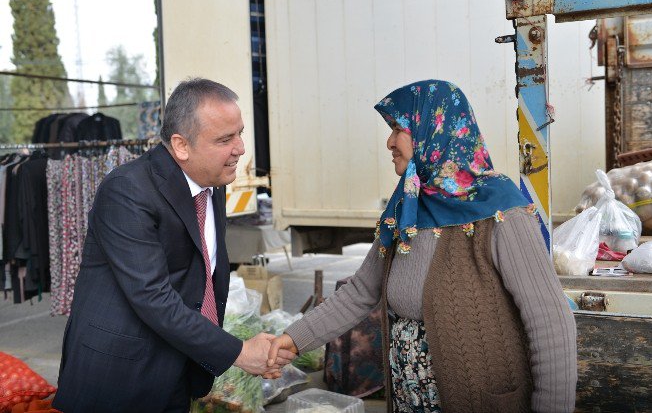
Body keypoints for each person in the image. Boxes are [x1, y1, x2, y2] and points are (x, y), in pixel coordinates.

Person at [268, 80, 577, 412]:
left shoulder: (500, 210)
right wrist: (291, 340)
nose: (389, 142)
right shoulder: (408, 206)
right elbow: (360, 292)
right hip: (412, 399)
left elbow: (550, 323)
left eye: (397, 129)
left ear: (433, 128)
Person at [53, 78, 294, 413]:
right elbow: (153, 296)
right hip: (120, 379)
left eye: (239, 133)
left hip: (176, 368)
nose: (240, 148)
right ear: (181, 145)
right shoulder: (127, 191)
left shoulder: (213, 183)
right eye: (225, 139)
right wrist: (238, 352)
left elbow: (201, 275)